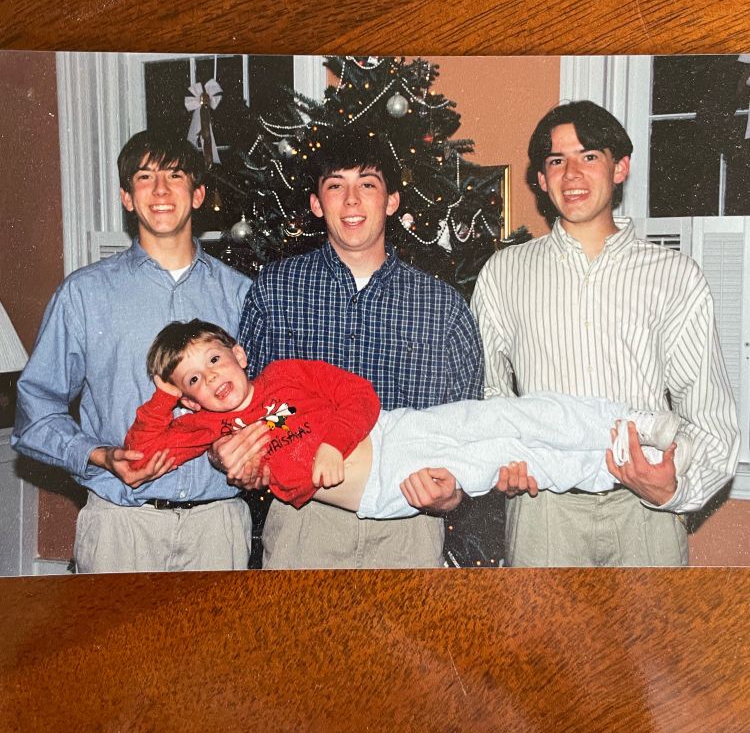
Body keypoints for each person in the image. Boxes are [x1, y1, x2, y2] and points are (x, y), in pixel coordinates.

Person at [468, 100, 740, 567]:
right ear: (541, 178)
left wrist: (674, 488)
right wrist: (501, 457)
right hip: (542, 512)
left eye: (589, 156)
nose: (571, 174)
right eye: (557, 160)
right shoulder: (504, 273)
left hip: (645, 516)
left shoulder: (675, 275)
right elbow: (486, 390)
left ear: (620, 168)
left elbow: (709, 413)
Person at [214, 126, 485, 569]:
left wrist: (454, 492)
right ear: (317, 204)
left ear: (392, 201)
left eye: (368, 185)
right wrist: (236, 451)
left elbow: (469, 426)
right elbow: (241, 407)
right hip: (304, 521)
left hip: (408, 523)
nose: (352, 201)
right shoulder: (277, 291)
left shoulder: (443, 308)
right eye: (336, 186)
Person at [12, 131, 268, 573]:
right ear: (127, 197)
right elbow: (36, 412)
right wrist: (100, 456)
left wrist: (254, 452)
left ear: (199, 193)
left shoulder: (243, 296)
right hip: (119, 528)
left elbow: (272, 399)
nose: (162, 190)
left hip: (218, 527)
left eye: (176, 175)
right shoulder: (85, 294)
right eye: (145, 177)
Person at [127, 320, 682, 518]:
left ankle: (632, 426)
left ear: (239, 354)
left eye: (214, 359)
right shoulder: (208, 430)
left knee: (507, 414)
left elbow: (359, 395)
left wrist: (331, 445)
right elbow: (144, 453)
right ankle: (615, 466)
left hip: (391, 430)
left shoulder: (286, 375)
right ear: (189, 401)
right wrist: (160, 396)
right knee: (501, 459)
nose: (212, 378)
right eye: (194, 380)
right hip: (383, 489)